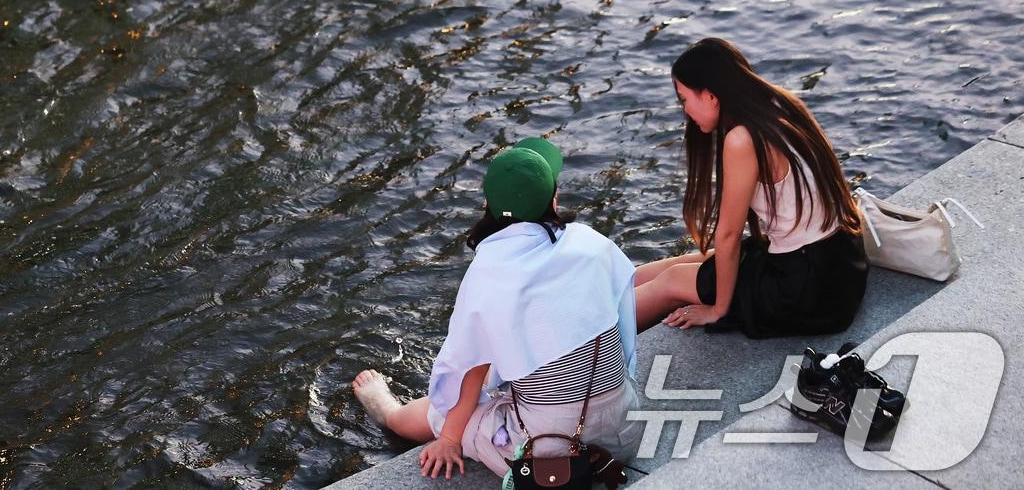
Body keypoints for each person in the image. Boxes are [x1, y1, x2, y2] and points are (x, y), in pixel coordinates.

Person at [351, 137, 641, 480]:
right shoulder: (591, 243)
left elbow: (470, 368)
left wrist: (449, 440)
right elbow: (619, 320)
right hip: (623, 430)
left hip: (551, 454)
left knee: (444, 412)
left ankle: (388, 413)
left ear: (486, 203)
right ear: (554, 200)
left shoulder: (489, 273)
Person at [635, 38, 868, 338]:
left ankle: (587, 343)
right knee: (683, 265)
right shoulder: (780, 103)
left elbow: (729, 234)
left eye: (684, 99)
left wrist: (717, 310)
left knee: (672, 281)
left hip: (807, 289)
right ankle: (592, 297)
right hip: (841, 263)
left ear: (711, 96)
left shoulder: (742, 139)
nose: (685, 111)